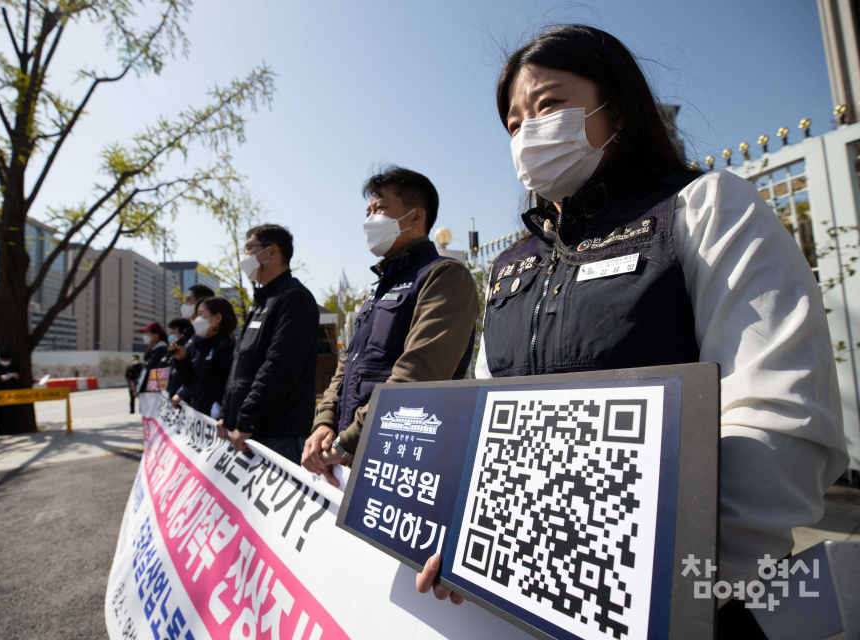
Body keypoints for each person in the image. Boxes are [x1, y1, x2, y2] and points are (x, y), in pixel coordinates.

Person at [414, 25, 849, 635]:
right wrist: (469, 538)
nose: (528, 133)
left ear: (615, 109)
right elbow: (488, 428)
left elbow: (779, 418)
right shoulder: (511, 267)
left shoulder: (705, 210)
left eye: (549, 104)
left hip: (682, 609)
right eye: (514, 123)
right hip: (529, 605)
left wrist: (656, 574)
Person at [301, 167, 481, 484]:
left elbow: (417, 374)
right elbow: (348, 364)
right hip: (346, 460)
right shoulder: (377, 290)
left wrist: (349, 440)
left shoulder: (443, 276)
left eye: (380, 209)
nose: (369, 219)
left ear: (415, 217)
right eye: (368, 211)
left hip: (399, 463)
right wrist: (325, 423)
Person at [219, 224, 319, 465]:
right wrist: (226, 413)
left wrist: (246, 419)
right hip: (254, 431)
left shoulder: (294, 298)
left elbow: (279, 366)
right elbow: (239, 364)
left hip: (278, 434)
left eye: (249, 249)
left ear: (272, 252)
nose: (244, 257)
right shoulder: (263, 301)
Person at [169, 297, 237, 416]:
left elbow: (231, 390)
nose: (195, 320)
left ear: (217, 318)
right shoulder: (203, 347)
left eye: (200, 314)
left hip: (214, 422)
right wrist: (181, 360)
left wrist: (223, 417)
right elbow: (193, 384)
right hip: (200, 418)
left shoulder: (227, 347)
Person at [0, 351, 21, 436]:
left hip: (11, 394)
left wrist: (16, 378)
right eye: (4, 359)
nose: (6, 361)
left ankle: (12, 430)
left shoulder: (13, 368)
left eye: (7, 359)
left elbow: (20, 380)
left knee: (11, 413)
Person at [136, 322, 169, 394]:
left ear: (156, 335)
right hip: (148, 392)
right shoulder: (154, 350)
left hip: (153, 393)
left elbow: (154, 371)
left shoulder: (161, 351)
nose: (144, 336)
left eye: (147, 333)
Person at [166, 317, 194, 397]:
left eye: (173, 333)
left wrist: (181, 394)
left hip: (183, 401)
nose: (170, 337)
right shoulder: (174, 353)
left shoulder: (189, 350)